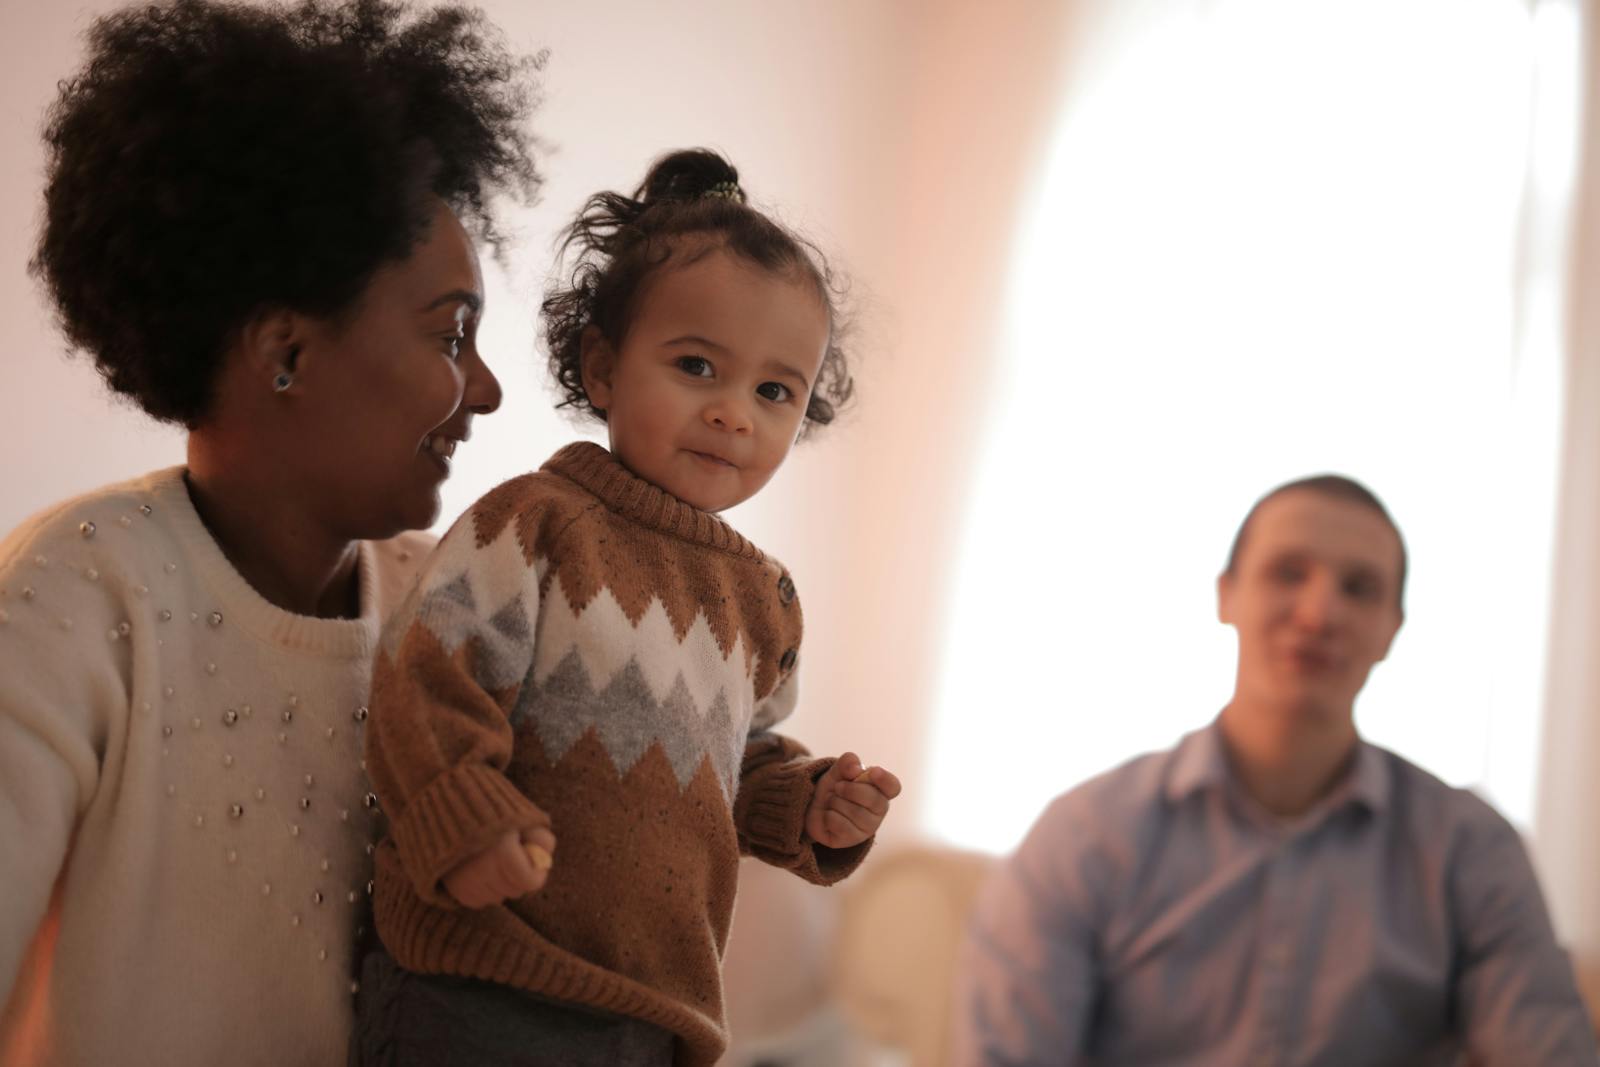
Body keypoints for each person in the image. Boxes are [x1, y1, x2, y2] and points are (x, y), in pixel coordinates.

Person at [0, 2, 539, 1064]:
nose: (484, 388)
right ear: (286, 351)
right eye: (451, 333)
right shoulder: (69, 598)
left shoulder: (454, 609)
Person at [353, 148, 902, 1067]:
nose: (735, 413)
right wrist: (463, 820)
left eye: (774, 391)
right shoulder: (535, 524)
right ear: (602, 367)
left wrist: (805, 807)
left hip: (654, 1009)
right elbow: (426, 676)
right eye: (697, 366)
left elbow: (738, 762)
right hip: (482, 979)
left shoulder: (764, 598)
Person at [953, 475, 1599, 1066]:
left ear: (1391, 629)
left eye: (1359, 587)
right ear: (1225, 594)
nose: (1319, 612)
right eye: (1289, 572)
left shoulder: (1474, 850)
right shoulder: (1084, 835)